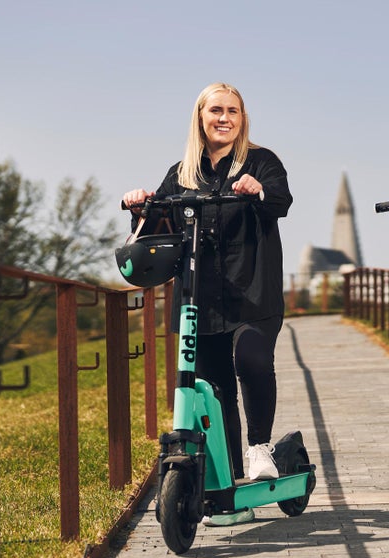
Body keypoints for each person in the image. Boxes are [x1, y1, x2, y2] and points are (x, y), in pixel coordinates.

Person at [123, 82, 293, 525]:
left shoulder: (261, 161)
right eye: (216, 110)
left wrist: (257, 189)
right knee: (215, 393)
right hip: (200, 300)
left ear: (242, 118)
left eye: (233, 111)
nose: (224, 118)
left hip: (253, 294)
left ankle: (260, 449)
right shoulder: (181, 173)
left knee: (252, 360)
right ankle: (228, 481)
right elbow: (159, 227)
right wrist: (140, 205)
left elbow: (281, 201)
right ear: (200, 117)